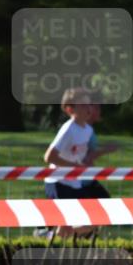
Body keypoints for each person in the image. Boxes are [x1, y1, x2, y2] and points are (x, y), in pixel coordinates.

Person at [41, 88, 108, 238]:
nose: (88, 108)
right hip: (58, 182)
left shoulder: (88, 130)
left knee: (96, 219)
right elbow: (49, 156)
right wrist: (76, 167)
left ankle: (49, 235)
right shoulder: (68, 129)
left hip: (74, 183)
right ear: (70, 109)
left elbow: (78, 155)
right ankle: (49, 236)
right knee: (65, 224)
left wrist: (86, 165)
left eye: (89, 104)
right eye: (83, 105)